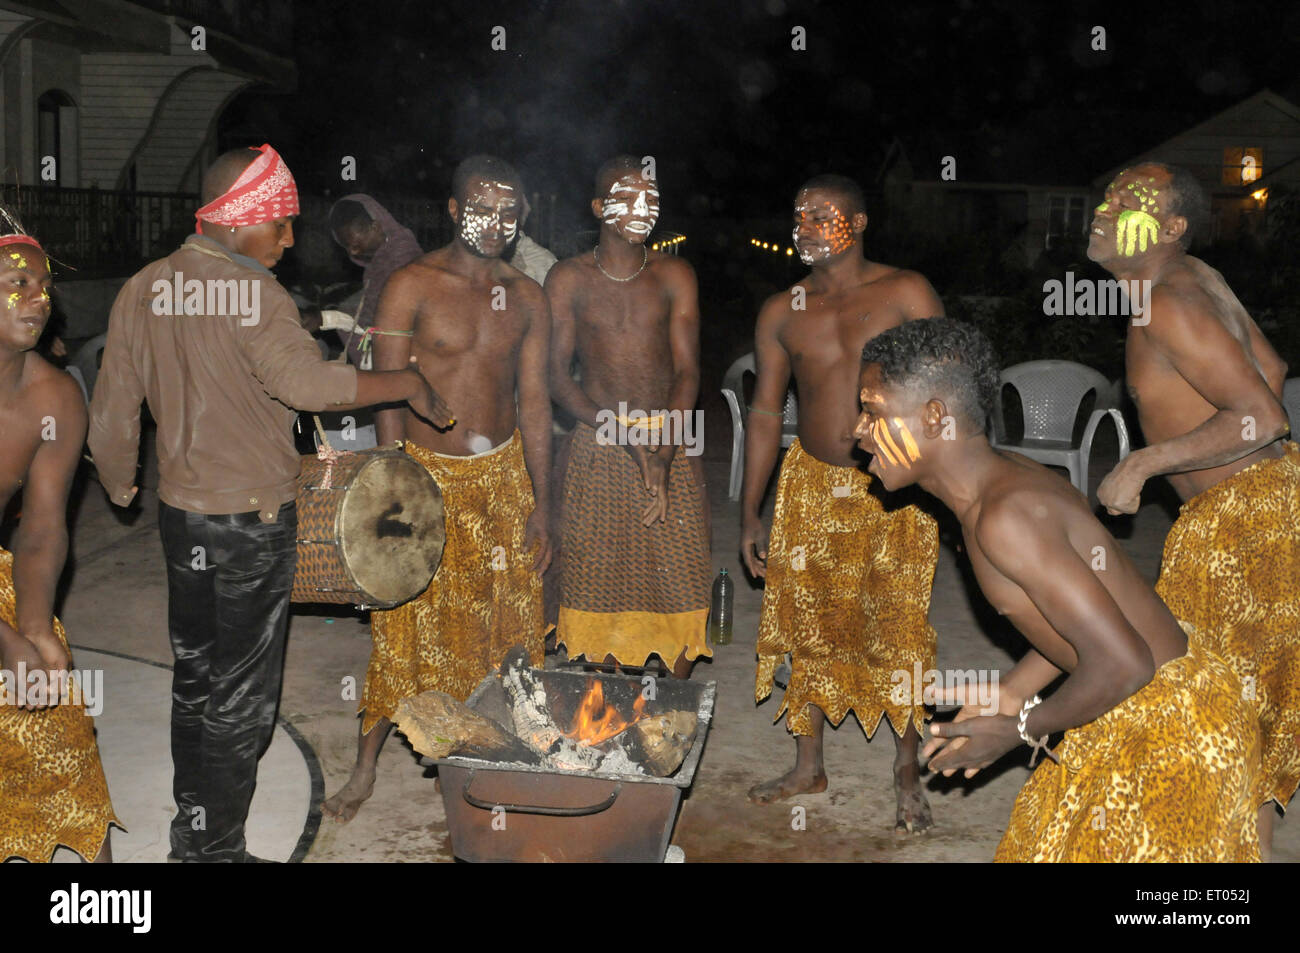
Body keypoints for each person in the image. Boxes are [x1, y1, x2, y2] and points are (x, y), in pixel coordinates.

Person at [88, 145, 450, 862]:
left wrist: (121, 480)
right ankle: (216, 851)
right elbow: (311, 389)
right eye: (280, 225)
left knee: (196, 677)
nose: (289, 241)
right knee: (242, 699)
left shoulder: (147, 286)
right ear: (239, 220)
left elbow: (111, 410)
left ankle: (194, 831)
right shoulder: (254, 295)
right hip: (251, 523)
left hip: (181, 516)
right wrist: (404, 383)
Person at [862, 318, 1260, 861]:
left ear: (934, 417)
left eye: (874, 411)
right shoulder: (1005, 478)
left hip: (1173, 733)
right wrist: (1014, 690)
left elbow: (1124, 662)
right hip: (1144, 705)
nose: (858, 430)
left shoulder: (1005, 516)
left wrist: (1018, 728)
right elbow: (1090, 613)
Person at [322, 155, 553, 822]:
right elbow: (389, 390)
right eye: (482, 207)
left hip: (504, 479)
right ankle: (366, 766)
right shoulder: (411, 285)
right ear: (454, 210)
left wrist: (546, 504)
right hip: (425, 478)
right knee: (402, 630)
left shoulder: (529, 296)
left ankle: (492, 753)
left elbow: (535, 403)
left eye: (510, 210)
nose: (497, 221)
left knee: (505, 628)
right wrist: (395, 491)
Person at [1090, 162, 1298, 858]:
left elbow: (1264, 412)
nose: (1107, 207)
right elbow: (1269, 368)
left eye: (1131, 201)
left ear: (1171, 228)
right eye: (1111, 195)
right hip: (1262, 513)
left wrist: (1146, 461)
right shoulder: (1192, 279)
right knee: (1239, 717)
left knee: (1216, 718)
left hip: (1242, 528)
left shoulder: (1168, 301)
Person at [740, 173, 944, 832]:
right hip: (808, 484)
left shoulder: (905, 291)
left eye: (822, 215)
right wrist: (749, 509)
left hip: (893, 486)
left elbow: (951, 393)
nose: (805, 226)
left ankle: (907, 766)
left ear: (856, 224)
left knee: (899, 627)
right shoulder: (781, 309)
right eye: (798, 215)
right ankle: (808, 763)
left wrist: (951, 485)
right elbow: (767, 411)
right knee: (807, 623)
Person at [547, 155, 710, 677]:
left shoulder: (674, 274)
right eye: (629, 197)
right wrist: (620, 434)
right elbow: (556, 377)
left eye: (652, 199)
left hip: (670, 440)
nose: (644, 209)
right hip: (597, 440)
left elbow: (688, 372)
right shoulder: (568, 278)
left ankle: (669, 719)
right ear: (599, 207)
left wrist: (664, 450)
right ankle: (612, 713)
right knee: (599, 581)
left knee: (680, 578)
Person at [0, 212, 120, 862]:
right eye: (15, 282)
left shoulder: (56, 400)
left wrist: (37, 624)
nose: (37, 296)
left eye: (43, 283)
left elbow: (43, 526)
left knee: (59, 723)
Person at [328, 194, 423, 368]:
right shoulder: (381, 261)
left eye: (355, 245)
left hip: (408, 344)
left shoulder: (402, 259)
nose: (353, 252)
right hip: (393, 336)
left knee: (343, 317)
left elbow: (390, 316)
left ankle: (379, 373)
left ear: (376, 227)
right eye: (347, 247)